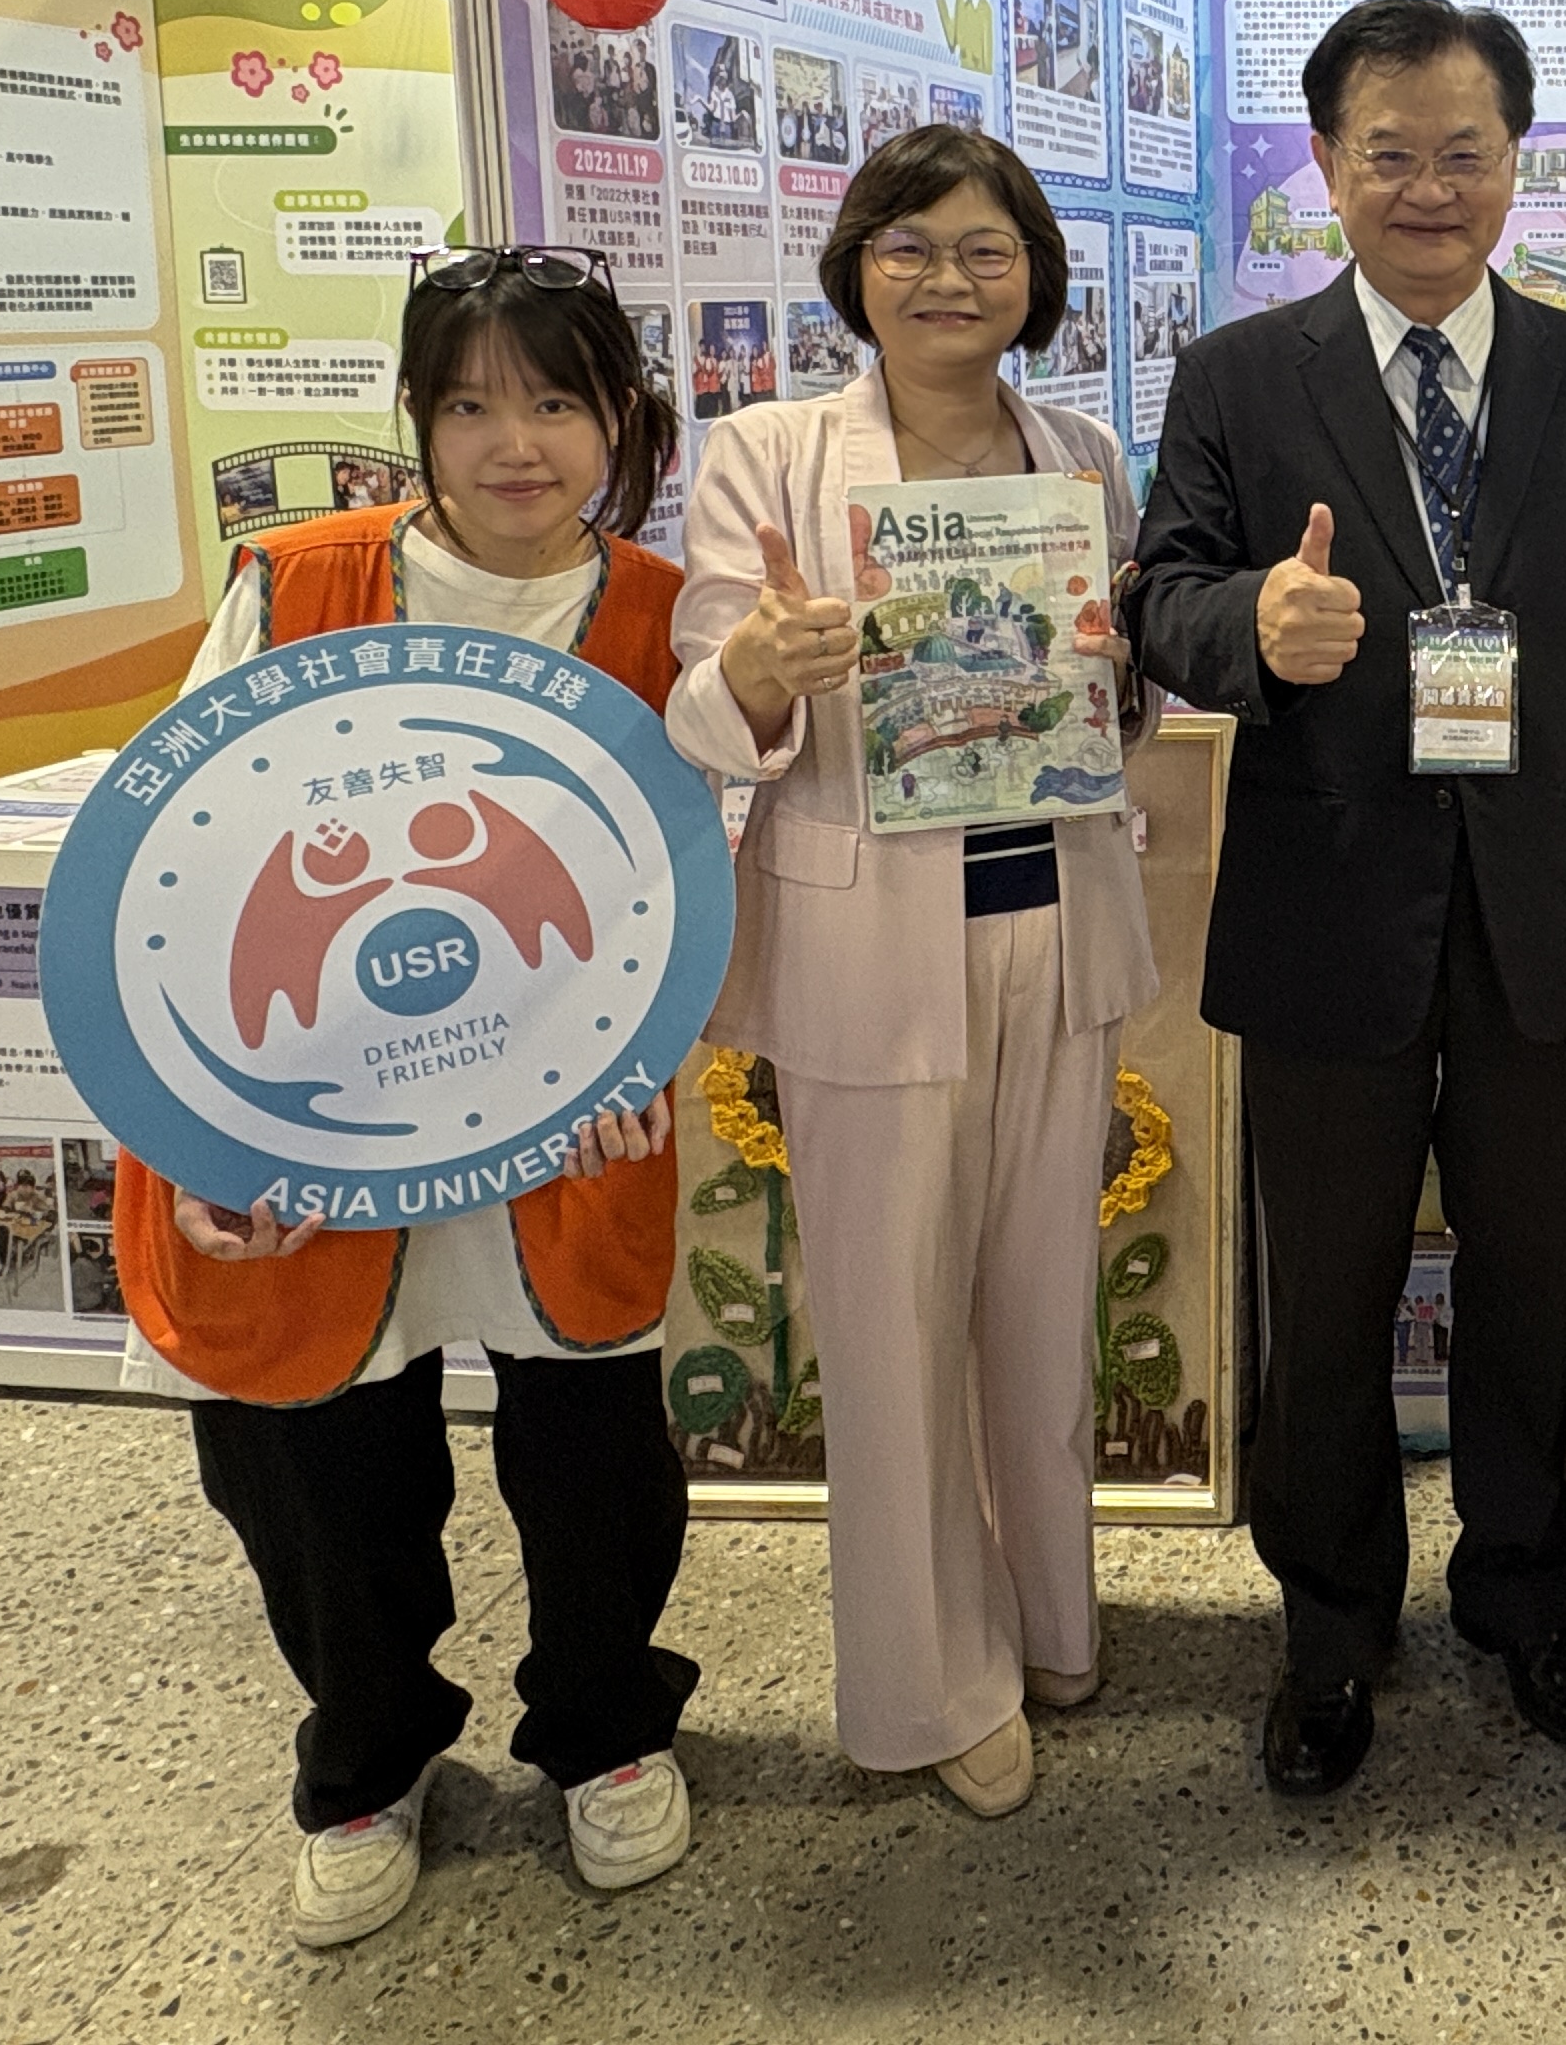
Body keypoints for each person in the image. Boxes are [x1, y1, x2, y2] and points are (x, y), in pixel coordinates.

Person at [1131, 0, 1566, 1798]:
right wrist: (1253, 624)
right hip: (1328, 901)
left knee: (1536, 1281)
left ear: (1514, 162)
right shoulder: (1239, 377)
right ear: (1327, 163)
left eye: (1466, 151)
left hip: (1548, 904)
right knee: (1328, 1296)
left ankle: (1528, 1597)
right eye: (1390, 152)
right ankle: (1329, 1624)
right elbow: (1161, 597)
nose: (1429, 187)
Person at [112, 246, 697, 1950]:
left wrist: (655, 1047)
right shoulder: (299, 585)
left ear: (619, 417)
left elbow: (688, 878)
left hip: (564, 1107)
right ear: (417, 419)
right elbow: (179, 852)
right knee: (323, 1452)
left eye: (557, 401)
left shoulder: (661, 613)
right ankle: (366, 1755)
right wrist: (209, 1125)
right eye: (470, 404)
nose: (517, 443)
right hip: (318, 1103)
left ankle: (604, 1720)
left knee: (592, 1442)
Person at [667, 126, 1160, 1819]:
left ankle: (1049, 1614)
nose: (949, 277)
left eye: (986, 249)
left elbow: (1117, 700)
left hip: (1054, 919)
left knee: (1039, 1297)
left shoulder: (1079, 452)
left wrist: (1113, 670)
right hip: (869, 937)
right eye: (911, 245)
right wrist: (762, 662)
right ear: (857, 267)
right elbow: (707, 709)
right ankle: (930, 1679)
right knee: (886, 1325)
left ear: (1035, 277)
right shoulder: (771, 452)